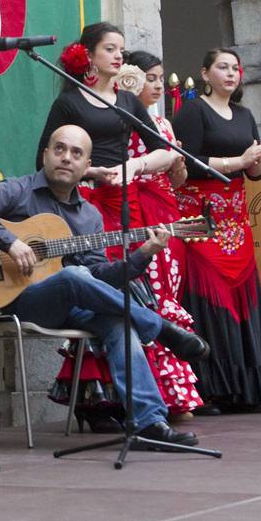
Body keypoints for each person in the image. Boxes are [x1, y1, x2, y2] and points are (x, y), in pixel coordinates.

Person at [0, 125, 209, 448]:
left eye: (76, 153)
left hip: (71, 305)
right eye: (60, 149)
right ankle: (161, 328)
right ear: (46, 155)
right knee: (73, 276)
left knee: (117, 320)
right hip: (18, 299)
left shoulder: (89, 216)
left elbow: (98, 276)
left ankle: (148, 424)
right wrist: (10, 242)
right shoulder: (19, 191)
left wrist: (142, 255)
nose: (66, 158)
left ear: (86, 164)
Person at [36, 22, 176, 431]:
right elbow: (40, 160)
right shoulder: (69, 102)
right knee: (95, 295)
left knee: (126, 289)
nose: (119, 56)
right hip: (81, 206)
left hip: (121, 204)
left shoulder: (129, 103)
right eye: (110, 49)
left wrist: (130, 167)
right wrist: (88, 170)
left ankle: (134, 403)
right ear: (89, 55)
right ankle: (95, 405)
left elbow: (163, 153)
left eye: (122, 50)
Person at [172, 47, 261, 413]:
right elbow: (187, 163)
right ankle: (208, 390)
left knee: (241, 300)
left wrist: (257, 163)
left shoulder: (245, 114)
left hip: (236, 220)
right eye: (223, 67)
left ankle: (245, 390)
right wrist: (239, 160)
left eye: (235, 68)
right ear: (205, 74)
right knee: (208, 299)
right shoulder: (193, 110)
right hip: (201, 220)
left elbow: (254, 172)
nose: (231, 73)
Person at [121, 50, 205, 420]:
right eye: (149, 78)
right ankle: (154, 395)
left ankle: (175, 393)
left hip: (166, 211)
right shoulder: (121, 120)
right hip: (136, 211)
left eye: (159, 78)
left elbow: (178, 181)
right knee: (146, 294)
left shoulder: (165, 126)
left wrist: (179, 164)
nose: (156, 85)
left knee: (168, 291)